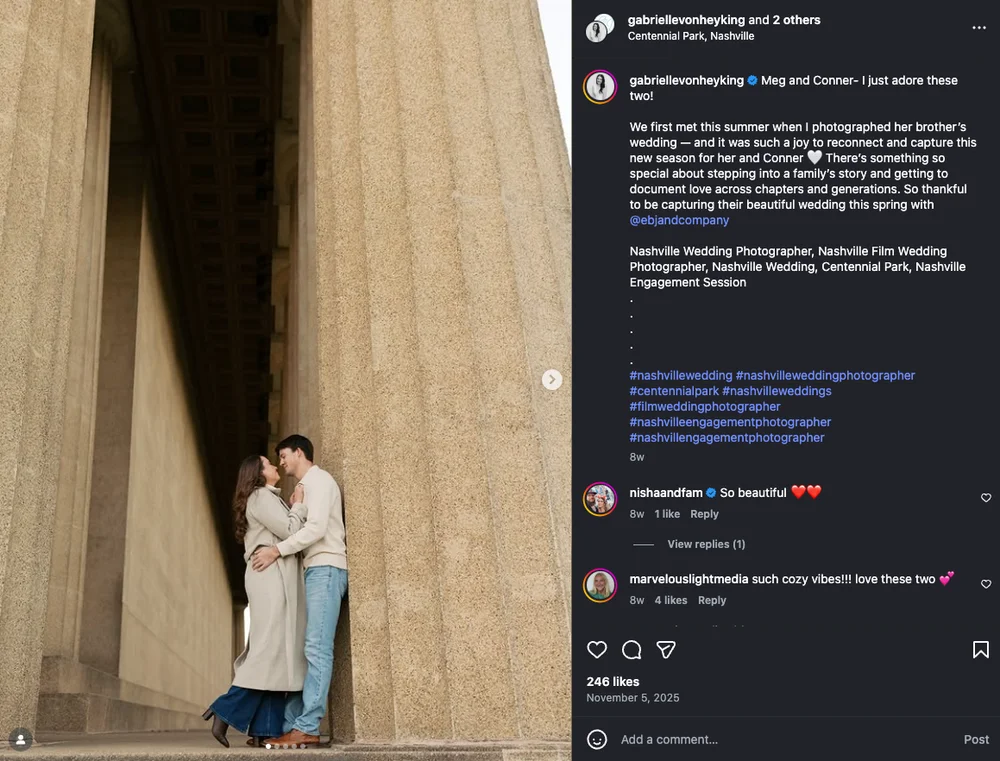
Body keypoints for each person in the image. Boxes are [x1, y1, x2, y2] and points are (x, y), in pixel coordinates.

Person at [203, 455, 307, 747]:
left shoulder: (266, 498)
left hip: (274, 576)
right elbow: (289, 531)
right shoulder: (261, 496)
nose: (275, 465)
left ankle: (265, 730)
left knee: (277, 655)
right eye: (268, 463)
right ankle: (224, 709)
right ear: (258, 474)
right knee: (269, 649)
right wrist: (298, 505)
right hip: (270, 578)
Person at [251, 435, 347, 748]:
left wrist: (276, 550)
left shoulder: (320, 480)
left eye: (283, 456)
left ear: (299, 452)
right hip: (315, 571)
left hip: (326, 569)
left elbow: (316, 529)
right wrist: (298, 507)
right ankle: (291, 726)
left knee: (317, 650)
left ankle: (306, 727)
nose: (281, 462)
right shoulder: (307, 486)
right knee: (309, 651)